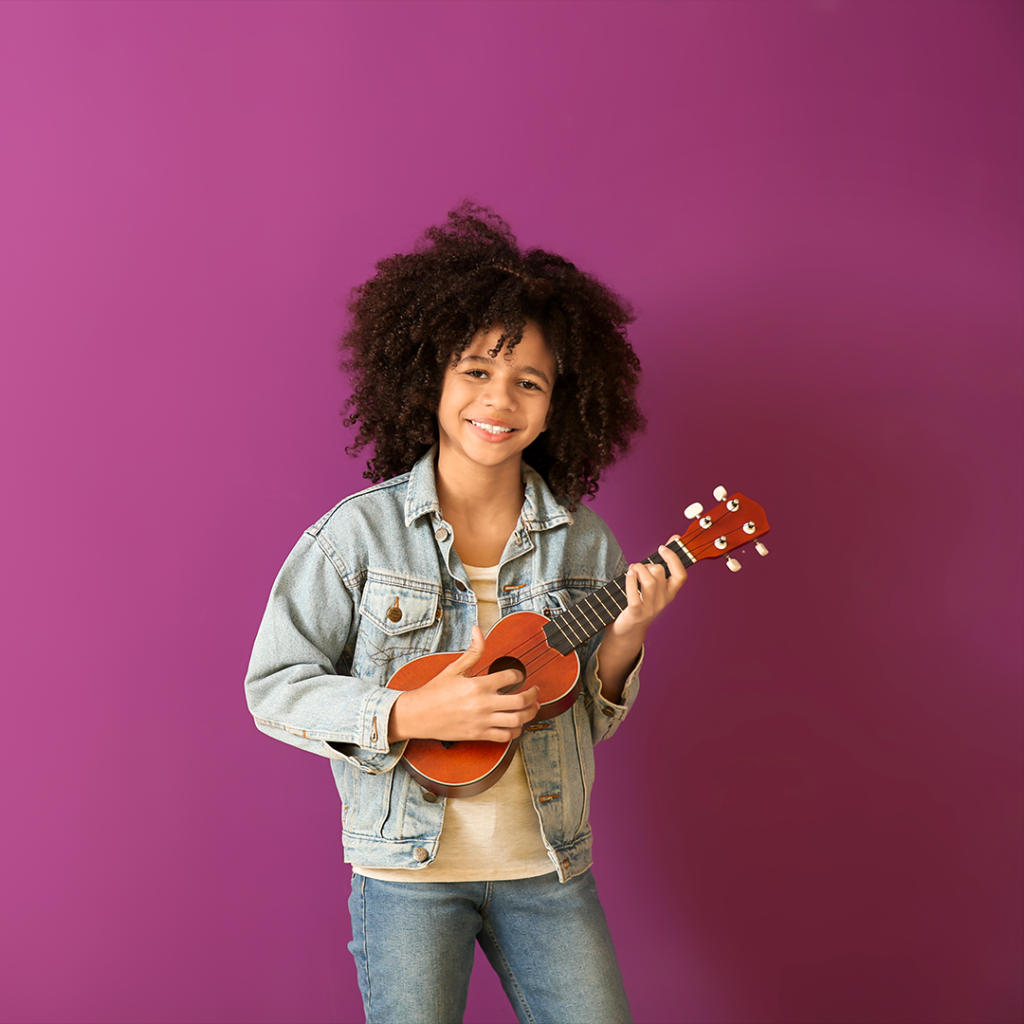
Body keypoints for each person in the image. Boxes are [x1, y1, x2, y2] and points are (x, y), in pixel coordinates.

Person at [244, 204, 687, 1024]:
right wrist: (411, 709)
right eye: (478, 371)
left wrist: (625, 640)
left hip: (547, 869)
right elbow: (273, 687)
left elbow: (590, 715)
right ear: (432, 378)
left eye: (530, 380)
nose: (501, 398)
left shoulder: (587, 546)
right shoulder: (357, 536)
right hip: (408, 877)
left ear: (559, 404)